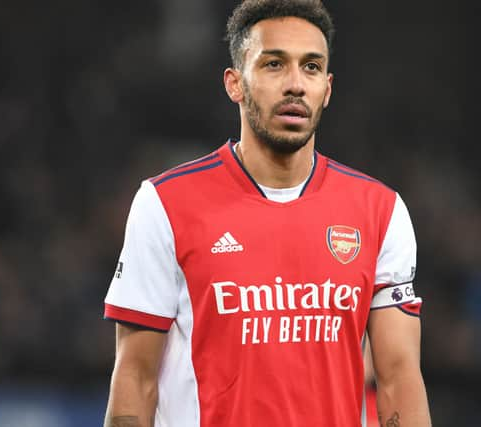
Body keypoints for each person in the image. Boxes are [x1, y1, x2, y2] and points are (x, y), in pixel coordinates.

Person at [103, 1, 432, 426]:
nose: (295, 84)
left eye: (311, 68)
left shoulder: (381, 211)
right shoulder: (164, 204)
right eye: (274, 65)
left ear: (327, 89)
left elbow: (398, 379)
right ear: (235, 83)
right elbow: (135, 377)